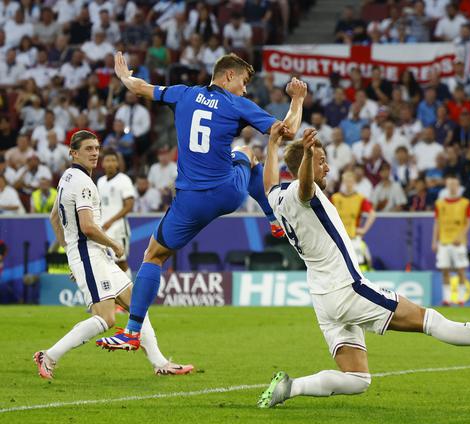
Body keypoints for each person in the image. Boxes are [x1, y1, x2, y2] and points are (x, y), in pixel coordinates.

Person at [256, 123, 470, 408]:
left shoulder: (277, 198)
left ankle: (290, 387)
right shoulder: (301, 193)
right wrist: (307, 155)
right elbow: (306, 187)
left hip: (322, 299)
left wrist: (272, 144)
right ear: (306, 165)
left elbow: (268, 182)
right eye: (322, 162)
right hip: (346, 289)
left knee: (357, 378)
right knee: (430, 320)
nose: (327, 168)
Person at [96, 52, 307, 350]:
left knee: (153, 256)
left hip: (189, 201)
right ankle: (273, 218)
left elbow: (141, 87)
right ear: (229, 76)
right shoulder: (237, 104)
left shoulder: (183, 94)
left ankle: (131, 332)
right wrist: (297, 100)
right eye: (244, 82)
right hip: (227, 192)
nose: (246, 89)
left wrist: (123, 77)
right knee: (248, 151)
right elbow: (287, 131)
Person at [34, 131, 192, 379]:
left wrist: (70, 252)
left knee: (136, 304)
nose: (95, 153)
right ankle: (49, 355)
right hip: (91, 255)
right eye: (88, 149)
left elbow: (55, 217)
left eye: (96, 148)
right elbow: (87, 226)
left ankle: (160, 362)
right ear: (73, 152)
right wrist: (113, 245)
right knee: (106, 318)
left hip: (89, 255)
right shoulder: (84, 183)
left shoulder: (66, 178)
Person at [432, 176, 470, 305]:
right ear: (447, 186)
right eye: (450, 185)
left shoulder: (465, 203)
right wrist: (434, 241)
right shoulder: (440, 204)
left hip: (459, 243)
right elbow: (437, 223)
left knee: (461, 270)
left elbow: (468, 222)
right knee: (445, 271)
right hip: (444, 242)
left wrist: (460, 237)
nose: (452, 187)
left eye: (455, 184)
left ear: (458, 186)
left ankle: (461, 299)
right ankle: (447, 299)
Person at [97, 150, 135, 277]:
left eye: (113, 160)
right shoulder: (100, 181)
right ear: (102, 163)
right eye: (107, 160)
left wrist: (111, 221)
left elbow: (129, 205)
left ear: (118, 163)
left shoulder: (124, 180)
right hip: (103, 228)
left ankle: (130, 292)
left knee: (121, 261)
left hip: (119, 228)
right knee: (105, 263)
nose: (110, 164)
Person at [330, 171, 377, 271]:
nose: (348, 184)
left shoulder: (359, 198)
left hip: (353, 237)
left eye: (350, 181)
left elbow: (372, 214)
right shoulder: (335, 198)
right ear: (343, 182)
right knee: (338, 266)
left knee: (359, 265)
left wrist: (363, 230)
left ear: (354, 182)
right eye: (346, 181)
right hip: (338, 237)